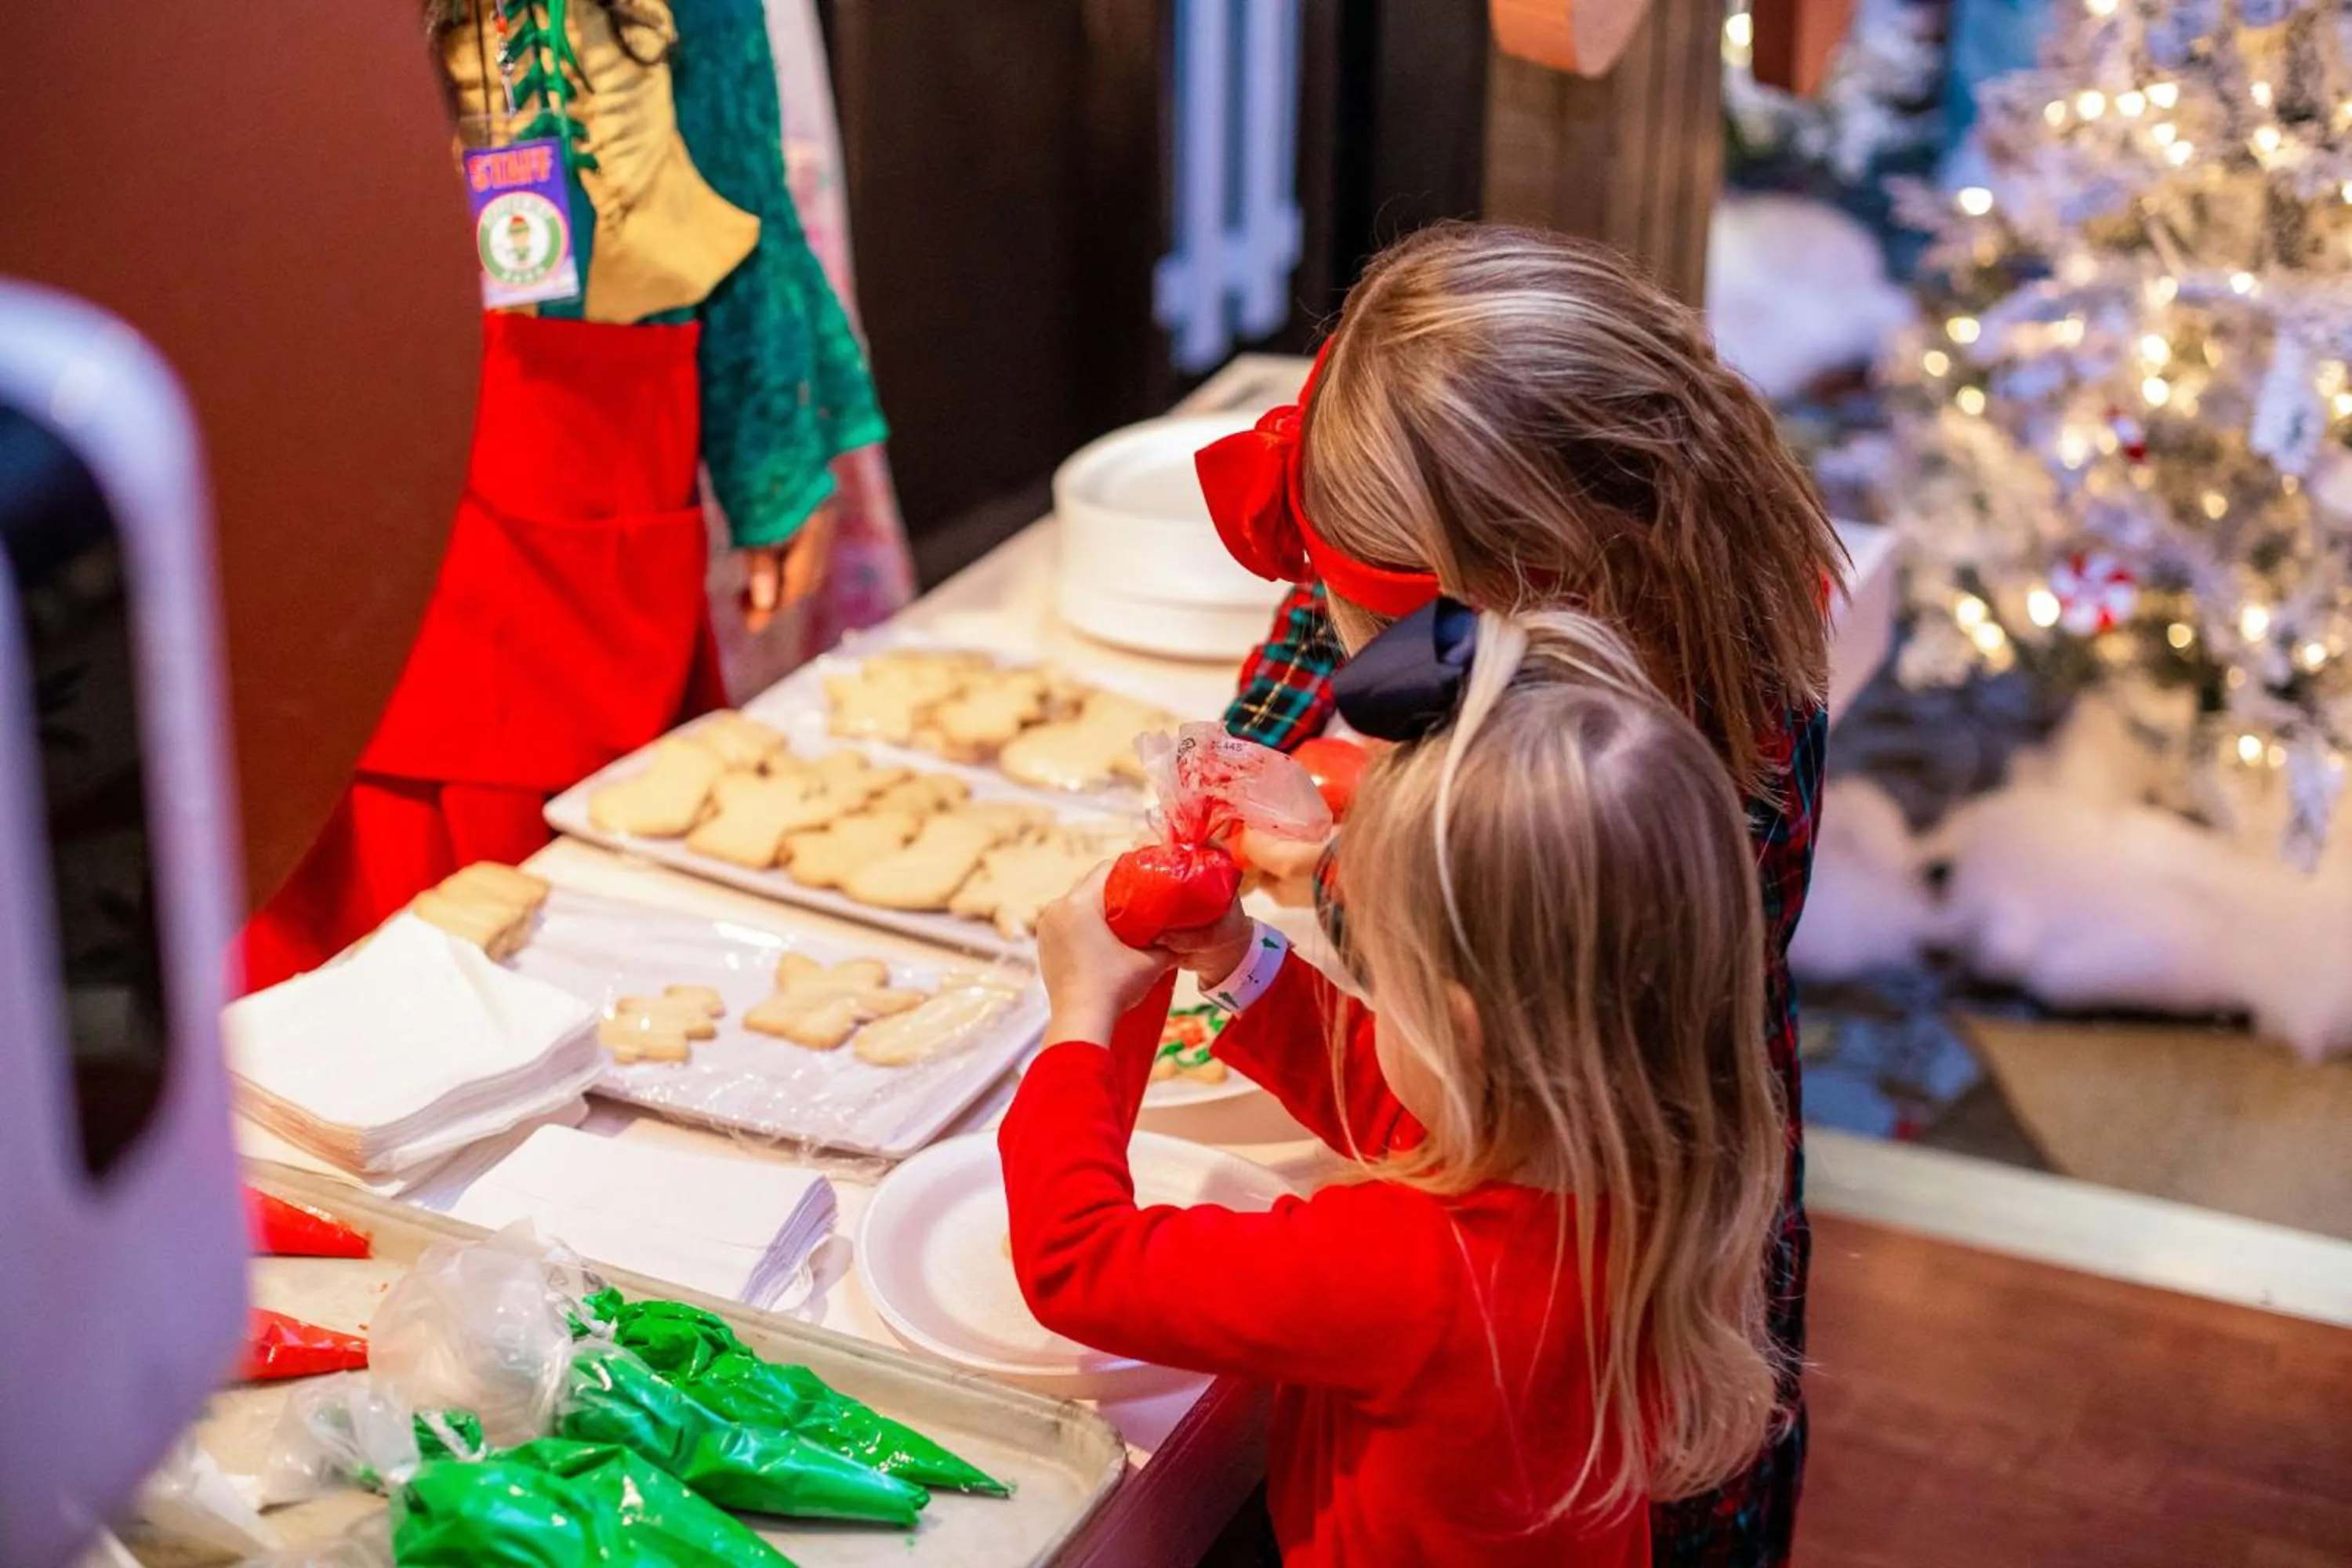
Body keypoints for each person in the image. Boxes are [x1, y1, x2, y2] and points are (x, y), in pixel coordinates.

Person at [1201, 223, 1845, 1564]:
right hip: (1577, 1166)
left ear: (1524, 590)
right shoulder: (1619, 549)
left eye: (1400, 635)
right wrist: (1242, 756)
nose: (1355, 645)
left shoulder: (1690, 757)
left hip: (1633, 1240)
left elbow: (1507, 958)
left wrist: (1338, 874)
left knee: (1636, 1498)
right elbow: (1327, 618)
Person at [1002, 606, 1790, 1566]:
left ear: (1461, 1026)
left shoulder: (1405, 1271)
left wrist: (1082, 1014)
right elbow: (1426, 1121)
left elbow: (1079, 1265)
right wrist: (1244, 964)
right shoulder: (1658, 1159)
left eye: (1380, 971)